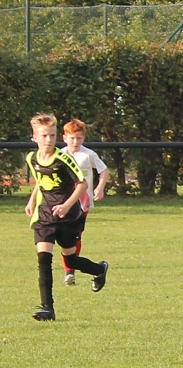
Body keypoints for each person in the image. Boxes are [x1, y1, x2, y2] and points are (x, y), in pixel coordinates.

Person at [24, 114, 109, 321]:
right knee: (43, 259)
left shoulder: (63, 159)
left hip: (68, 216)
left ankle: (99, 269)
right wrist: (31, 201)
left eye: (52, 135)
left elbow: (81, 184)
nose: (49, 140)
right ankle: (48, 308)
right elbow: (39, 182)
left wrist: (66, 205)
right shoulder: (32, 158)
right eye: (44, 135)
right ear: (35, 137)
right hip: (44, 215)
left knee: (71, 259)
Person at [60, 118, 109, 286]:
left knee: (74, 236)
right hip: (62, 201)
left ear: (84, 138)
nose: (75, 141)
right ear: (64, 138)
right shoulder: (60, 155)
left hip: (82, 203)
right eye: (72, 137)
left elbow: (104, 171)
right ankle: (69, 269)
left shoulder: (88, 154)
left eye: (79, 138)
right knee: (61, 233)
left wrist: (100, 188)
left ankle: (70, 269)